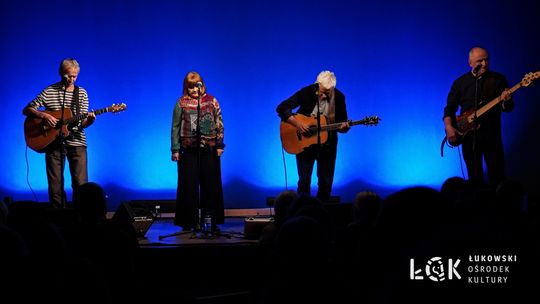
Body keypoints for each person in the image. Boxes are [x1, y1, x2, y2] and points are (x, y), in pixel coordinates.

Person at [22, 58, 96, 208]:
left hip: (77, 142)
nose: (72, 79)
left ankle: (80, 218)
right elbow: (27, 109)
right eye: (68, 75)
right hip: (53, 142)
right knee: (55, 185)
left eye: (75, 76)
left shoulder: (81, 93)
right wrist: (44, 116)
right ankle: (58, 219)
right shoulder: (50, 91)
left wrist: (89, 121)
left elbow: (81, 123)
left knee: (81, 184)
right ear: (61, 73)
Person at [443, 47, 513, 189]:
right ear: (470, 63)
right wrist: (449, 127)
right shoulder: (460, 82)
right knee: (474, 179)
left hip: (492, 136)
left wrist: (505, 100)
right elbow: (449, 108)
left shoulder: (498, 79)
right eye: (480, 61)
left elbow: (509, 107)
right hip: (469, 137)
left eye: (486, 59)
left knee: (497, 176)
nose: (484, 63)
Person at [276, 70, 350, 202]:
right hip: (305, 145)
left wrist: (344, 128)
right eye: (321, 92)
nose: (322, 96)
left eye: (327, 93)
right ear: (317, 85)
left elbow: (341, 125)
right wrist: (298, 124)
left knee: (325, 183)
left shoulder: (339, 97)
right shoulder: (307, 92)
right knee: (304, 182)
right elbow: (282, 108)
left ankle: (321, 215)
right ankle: (303, 212)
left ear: (332, 89)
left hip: (327, 146)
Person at [171, 71, 225, 231]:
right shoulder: (181, 103)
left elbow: (219, 122)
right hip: (188, 151)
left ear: (202, 84)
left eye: (196, 86)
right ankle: (189, 222)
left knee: (211, 185)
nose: (194, 90)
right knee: (188, 187)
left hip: (209, 150)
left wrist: (220, 145)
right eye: (190, 88)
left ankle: (211, 221)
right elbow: (175, 127)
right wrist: (175, 149)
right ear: (186, 88)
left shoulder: (212, 101)